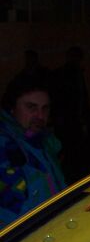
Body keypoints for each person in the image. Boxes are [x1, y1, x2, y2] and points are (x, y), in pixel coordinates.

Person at [0, 78, 65, 228]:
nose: (40, 116)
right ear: (12, 108)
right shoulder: (6, 147)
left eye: (45, 108)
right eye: (31, 107)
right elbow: (11, 212)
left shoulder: (41, 143)